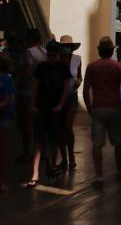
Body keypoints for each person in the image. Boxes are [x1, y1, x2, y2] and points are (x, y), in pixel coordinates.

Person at [82, 37, 121, 188]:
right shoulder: (118, 67)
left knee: (97, 144)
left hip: (98, 107)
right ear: (112, 51)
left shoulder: (92, 67)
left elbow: (85, 91)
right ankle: (120, 170)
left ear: (99, 50)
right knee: (118, 142)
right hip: (114, 107)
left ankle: (99, 176)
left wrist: (90, 108)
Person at [28, 41, 70, 187]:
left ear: (58, 55)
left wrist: (60, 105)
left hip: (53, 108)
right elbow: (35, 86)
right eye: (49, 55)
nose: (51, 58)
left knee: (52, 139)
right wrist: (33, 104)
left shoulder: (62, 67)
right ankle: (36, 172)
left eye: (54, 55)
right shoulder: (42, 67)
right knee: (40, 140)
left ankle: (50, 167)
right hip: (43, 107)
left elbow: (66, 87)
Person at [14, 28, 45, 163]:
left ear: (30, 39)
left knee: (26, 124)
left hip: (27, 91)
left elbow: (24, 69)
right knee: (39, 124)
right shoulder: (44, 52)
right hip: (41, 92)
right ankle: (41, 152)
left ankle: (27, 153)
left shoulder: (28, 53)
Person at [57, 35, 82, 171]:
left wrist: (78, 82)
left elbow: (79, 77)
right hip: (59, 95)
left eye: (68, 47)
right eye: (64, 47)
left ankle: (71, 157)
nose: (67, 49)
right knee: (60, 128)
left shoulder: (77, 59)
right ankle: (64, 159)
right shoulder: (57, 60)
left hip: (71, 95)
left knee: (68, 127)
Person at [0, 54, 15, 193]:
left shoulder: (6, 79)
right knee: (3, 152)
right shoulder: (7, 79)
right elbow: (9, 99)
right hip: (4, 117)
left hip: (4, 117)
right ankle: (2, 182)